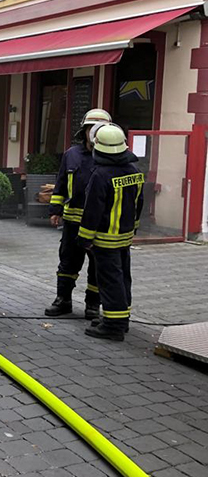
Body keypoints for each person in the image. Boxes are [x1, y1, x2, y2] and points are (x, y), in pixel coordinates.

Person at [45, 109, 112, 319]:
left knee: (97, 266)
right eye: (91, 127)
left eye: (100, 128)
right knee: (68, 262)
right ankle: (63, 300)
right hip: (73, 222)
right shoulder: (71, 154)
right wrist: (55, 210)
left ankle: (92, 305)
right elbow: (61, 183)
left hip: (99, 224)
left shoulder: (111, 157)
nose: (95, 132)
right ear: (84, 131)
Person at [79, 124, 144, 341]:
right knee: (123, 278)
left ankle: (113, 326)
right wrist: (133, 228)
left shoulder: (100, 175)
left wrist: (85, 238)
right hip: (125, 237)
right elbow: (139, 204)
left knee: (109, 281)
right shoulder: (135, 172)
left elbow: (93, 210)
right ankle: (120, 319)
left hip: (105, 240)